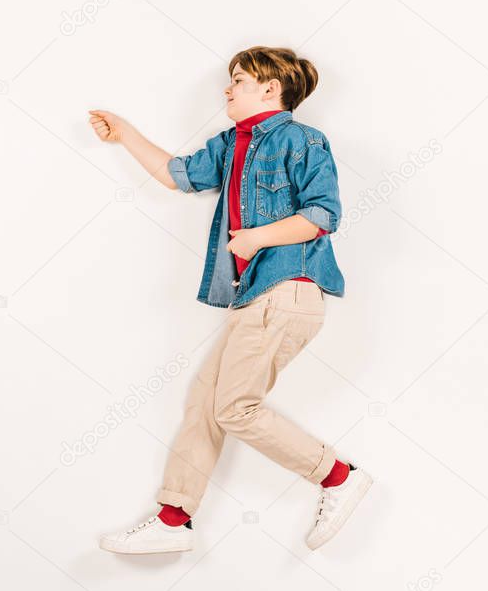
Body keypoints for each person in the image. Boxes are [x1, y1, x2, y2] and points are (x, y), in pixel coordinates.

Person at [88, 46, 372, 554]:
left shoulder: (302, 139)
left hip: (288, 290)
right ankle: (173, 520)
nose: (227, 88)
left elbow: (324, 213)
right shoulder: (232, 144)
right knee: (205, 403)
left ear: (270, 88)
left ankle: (337, 478)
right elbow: (180, 174)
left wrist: (256, 238)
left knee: (235, 408)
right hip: (256, 298)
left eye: (238, 80)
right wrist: (125, 132)